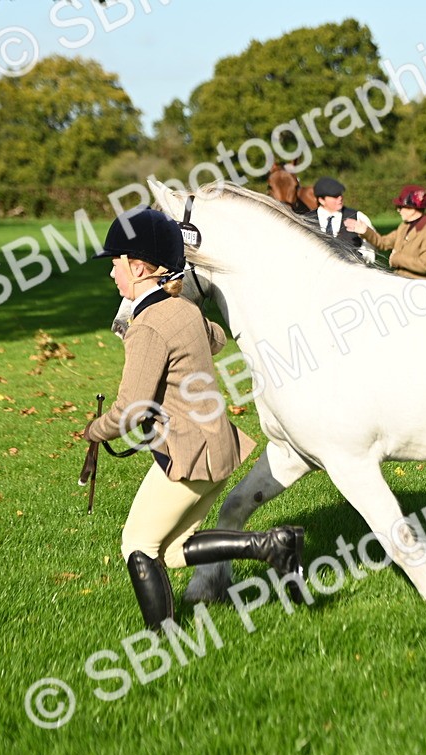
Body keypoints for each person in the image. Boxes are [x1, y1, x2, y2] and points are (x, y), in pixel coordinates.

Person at [85, 207, 306, 630]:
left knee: (138, 546)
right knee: (172, 550)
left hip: (187, 453)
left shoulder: (146, 324)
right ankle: (267, 545)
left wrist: (95, 430)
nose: (112, 275)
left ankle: (161, 639)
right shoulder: (183, 310)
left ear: (138, 267)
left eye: (115, 265)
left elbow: (129, 410)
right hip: (216, 446)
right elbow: (216, 338)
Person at [345, 184, 426, 279]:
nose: (398, 210)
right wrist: (366, 231)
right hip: (400, 280)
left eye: (400, 207)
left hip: (417, 284)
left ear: (412, 208)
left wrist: (396, 258)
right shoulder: (404, 226)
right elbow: (383, 243)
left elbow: (424, 265)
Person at [300, 176, 376, 263]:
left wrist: (360, 258)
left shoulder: (357, 216)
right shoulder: (306, 220)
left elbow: (371, 244)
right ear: (321, 200)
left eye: (340, 194)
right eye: (335, 196)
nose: (340, 198)